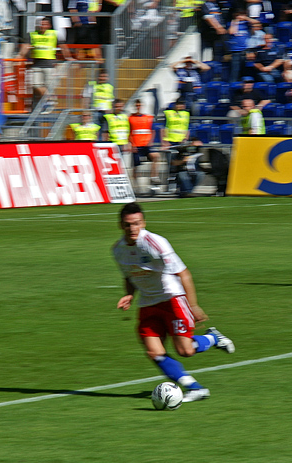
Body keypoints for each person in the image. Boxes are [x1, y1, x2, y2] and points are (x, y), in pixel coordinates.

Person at [112, 202, 234, 403]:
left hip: (172, 299)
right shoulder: (118, 250)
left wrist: (193, 305)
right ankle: (195, 388)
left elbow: (183, 273)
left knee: (185, 350)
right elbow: (129, 277)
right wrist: (130, 294)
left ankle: (212, 337)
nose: (132, 228)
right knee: (154, 351)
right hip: (147, 304)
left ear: (143, 222)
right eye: (127, 224)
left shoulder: (155, 243)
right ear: (120, 225)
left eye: (136, 223)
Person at [19, 17, 74, 112]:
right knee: (35, 84)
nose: (42, 26)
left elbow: (63, 46)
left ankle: (46, 106)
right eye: (41, 24)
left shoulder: (54, 34)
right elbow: (26, 46)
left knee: (49, 86)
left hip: (49, 65)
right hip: (36, 64)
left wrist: (68, 57)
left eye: (44, 24)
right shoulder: (33, 35)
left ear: (49, 26)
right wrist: (20, 56)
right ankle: (51, 99)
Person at [128, 99, 160, 187]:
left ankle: (153, 177)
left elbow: (152, 131)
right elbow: (129, 132)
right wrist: (132, 144)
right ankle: (136, 185)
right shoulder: (130, 118)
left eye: (139, 105)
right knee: (136, 166)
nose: (138, 107)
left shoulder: (148, 118)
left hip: (146, 144)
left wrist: (150, 141)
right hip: (136, 145)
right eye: (136, 105)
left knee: (156, 156)